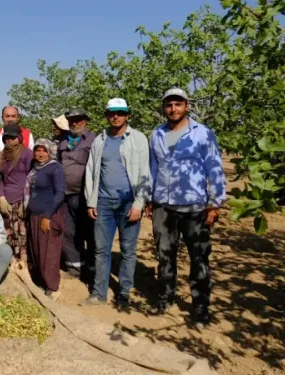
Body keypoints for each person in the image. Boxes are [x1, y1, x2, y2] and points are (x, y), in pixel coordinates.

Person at [147, 88, 226, 324]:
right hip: (163, 205)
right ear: (164, 108)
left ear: (186, 106)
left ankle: (200, 306)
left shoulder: (202, 133)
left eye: (177, 104)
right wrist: (151, 198)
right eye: (169, 105)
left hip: (194, 206)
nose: (173, 109)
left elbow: (215, 167)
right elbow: (153, 168)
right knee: (165, 255)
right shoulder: (157, 134)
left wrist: (214, 203)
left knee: (199, 257)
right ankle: (166, 296)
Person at [82, 98, 151, 309]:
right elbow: (91, 172)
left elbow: (144, 173)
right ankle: (99, 292)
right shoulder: (100, 140)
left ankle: (124, 293)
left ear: (127, 115)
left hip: (128, 202)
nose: (116, 116)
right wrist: (91, 201)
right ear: (107, 115)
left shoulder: (137, 139)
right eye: (112, 112)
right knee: (101, 250)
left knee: (128, 250)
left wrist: (139, 203)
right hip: (103, 202)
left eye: (120, 112)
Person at [56, 108, 96, 280]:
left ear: (85, 121)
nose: (75, 123)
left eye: (78, 119)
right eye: (72, 120)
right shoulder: (62, 141)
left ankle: (93, 269)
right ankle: (75, 267)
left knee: (90, 232)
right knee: (69, 231)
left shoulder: (94, 140)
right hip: (65, 194)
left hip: (85, 195)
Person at [26, 139, 65, 296]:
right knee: (36, 251)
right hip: (34, 215)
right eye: (37, 150)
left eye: (44, 151)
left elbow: (60, 193)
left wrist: (47, 216)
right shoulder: (34, 168)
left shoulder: (55, 168)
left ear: (50, 152)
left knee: (48, 252)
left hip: (48, 215)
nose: (40, 154)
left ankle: (52, 286)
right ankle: (41, 282)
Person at [0, 123, 33, 262]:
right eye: (6, 137)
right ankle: (9, 259)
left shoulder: (27, 153)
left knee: (22, 231)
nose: (9, 140)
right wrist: (1, 197)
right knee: (8, 231)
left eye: (12, 137)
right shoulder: (2, 155)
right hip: (6, 199)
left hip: (21, 198)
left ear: (19, 137)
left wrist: (27, 201)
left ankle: (23, 261)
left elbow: (31, 178)